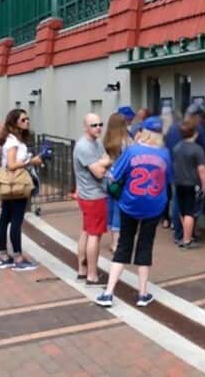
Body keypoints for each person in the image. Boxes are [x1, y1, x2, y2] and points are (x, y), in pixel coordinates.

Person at [95, 116, 172, 308]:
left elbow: (114, 176)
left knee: (123, 246)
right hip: (154, 207)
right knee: (145, 247)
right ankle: (142, 294)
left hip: (129, 205)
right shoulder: (165, 155)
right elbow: (168, 180)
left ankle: (108, 293)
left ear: (143, 131)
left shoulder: (132, 151)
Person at [0, 109, 42, 271]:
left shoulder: (9, 140)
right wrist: (31, 161)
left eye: (27, 119)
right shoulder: (13, 142)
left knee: (5, 218)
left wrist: (1, 172)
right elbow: (12, 165)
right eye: (23, 120)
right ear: (14, 123)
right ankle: (18, 258)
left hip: (9, 184)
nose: (27, 121)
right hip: (17, 185)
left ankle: (4, 256)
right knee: (16, 220)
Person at [164, 103, 205, 242]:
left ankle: (178, 232)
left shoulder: (173, 128)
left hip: (175, 173)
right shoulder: (197, 129)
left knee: (177, 203)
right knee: (190, 208)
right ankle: (187, 236)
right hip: (191, 176)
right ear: (197, 116)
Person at [73, 113, 112, 285]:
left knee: (86, 231)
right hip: (93, 196)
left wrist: (103, 162)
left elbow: (105, 161)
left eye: (100, 124)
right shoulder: (84, 146)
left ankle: (83, 270)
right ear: (85, 127)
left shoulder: (96, 143)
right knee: (94, 235)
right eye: (94, 125)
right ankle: (92, 274)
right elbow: (99, 172)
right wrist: (104, 162)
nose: (98, 128)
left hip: (89, 194)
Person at [173, 119, 205, 250]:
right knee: (190, 212)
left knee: (182, 211)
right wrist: (204, 185)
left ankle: (184, 236)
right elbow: (202, 169)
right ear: (195, 133)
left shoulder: (177, 147)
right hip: (192, 184)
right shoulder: (197, 149)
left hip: (179, 183)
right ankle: (187, 240)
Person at [103, 113, 132, 254]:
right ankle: (116, 243)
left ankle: (113, 241)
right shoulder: (126, 142)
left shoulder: (106, 141)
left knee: (111, 208)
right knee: (119, 212)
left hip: (108, 179)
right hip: (122, 181)